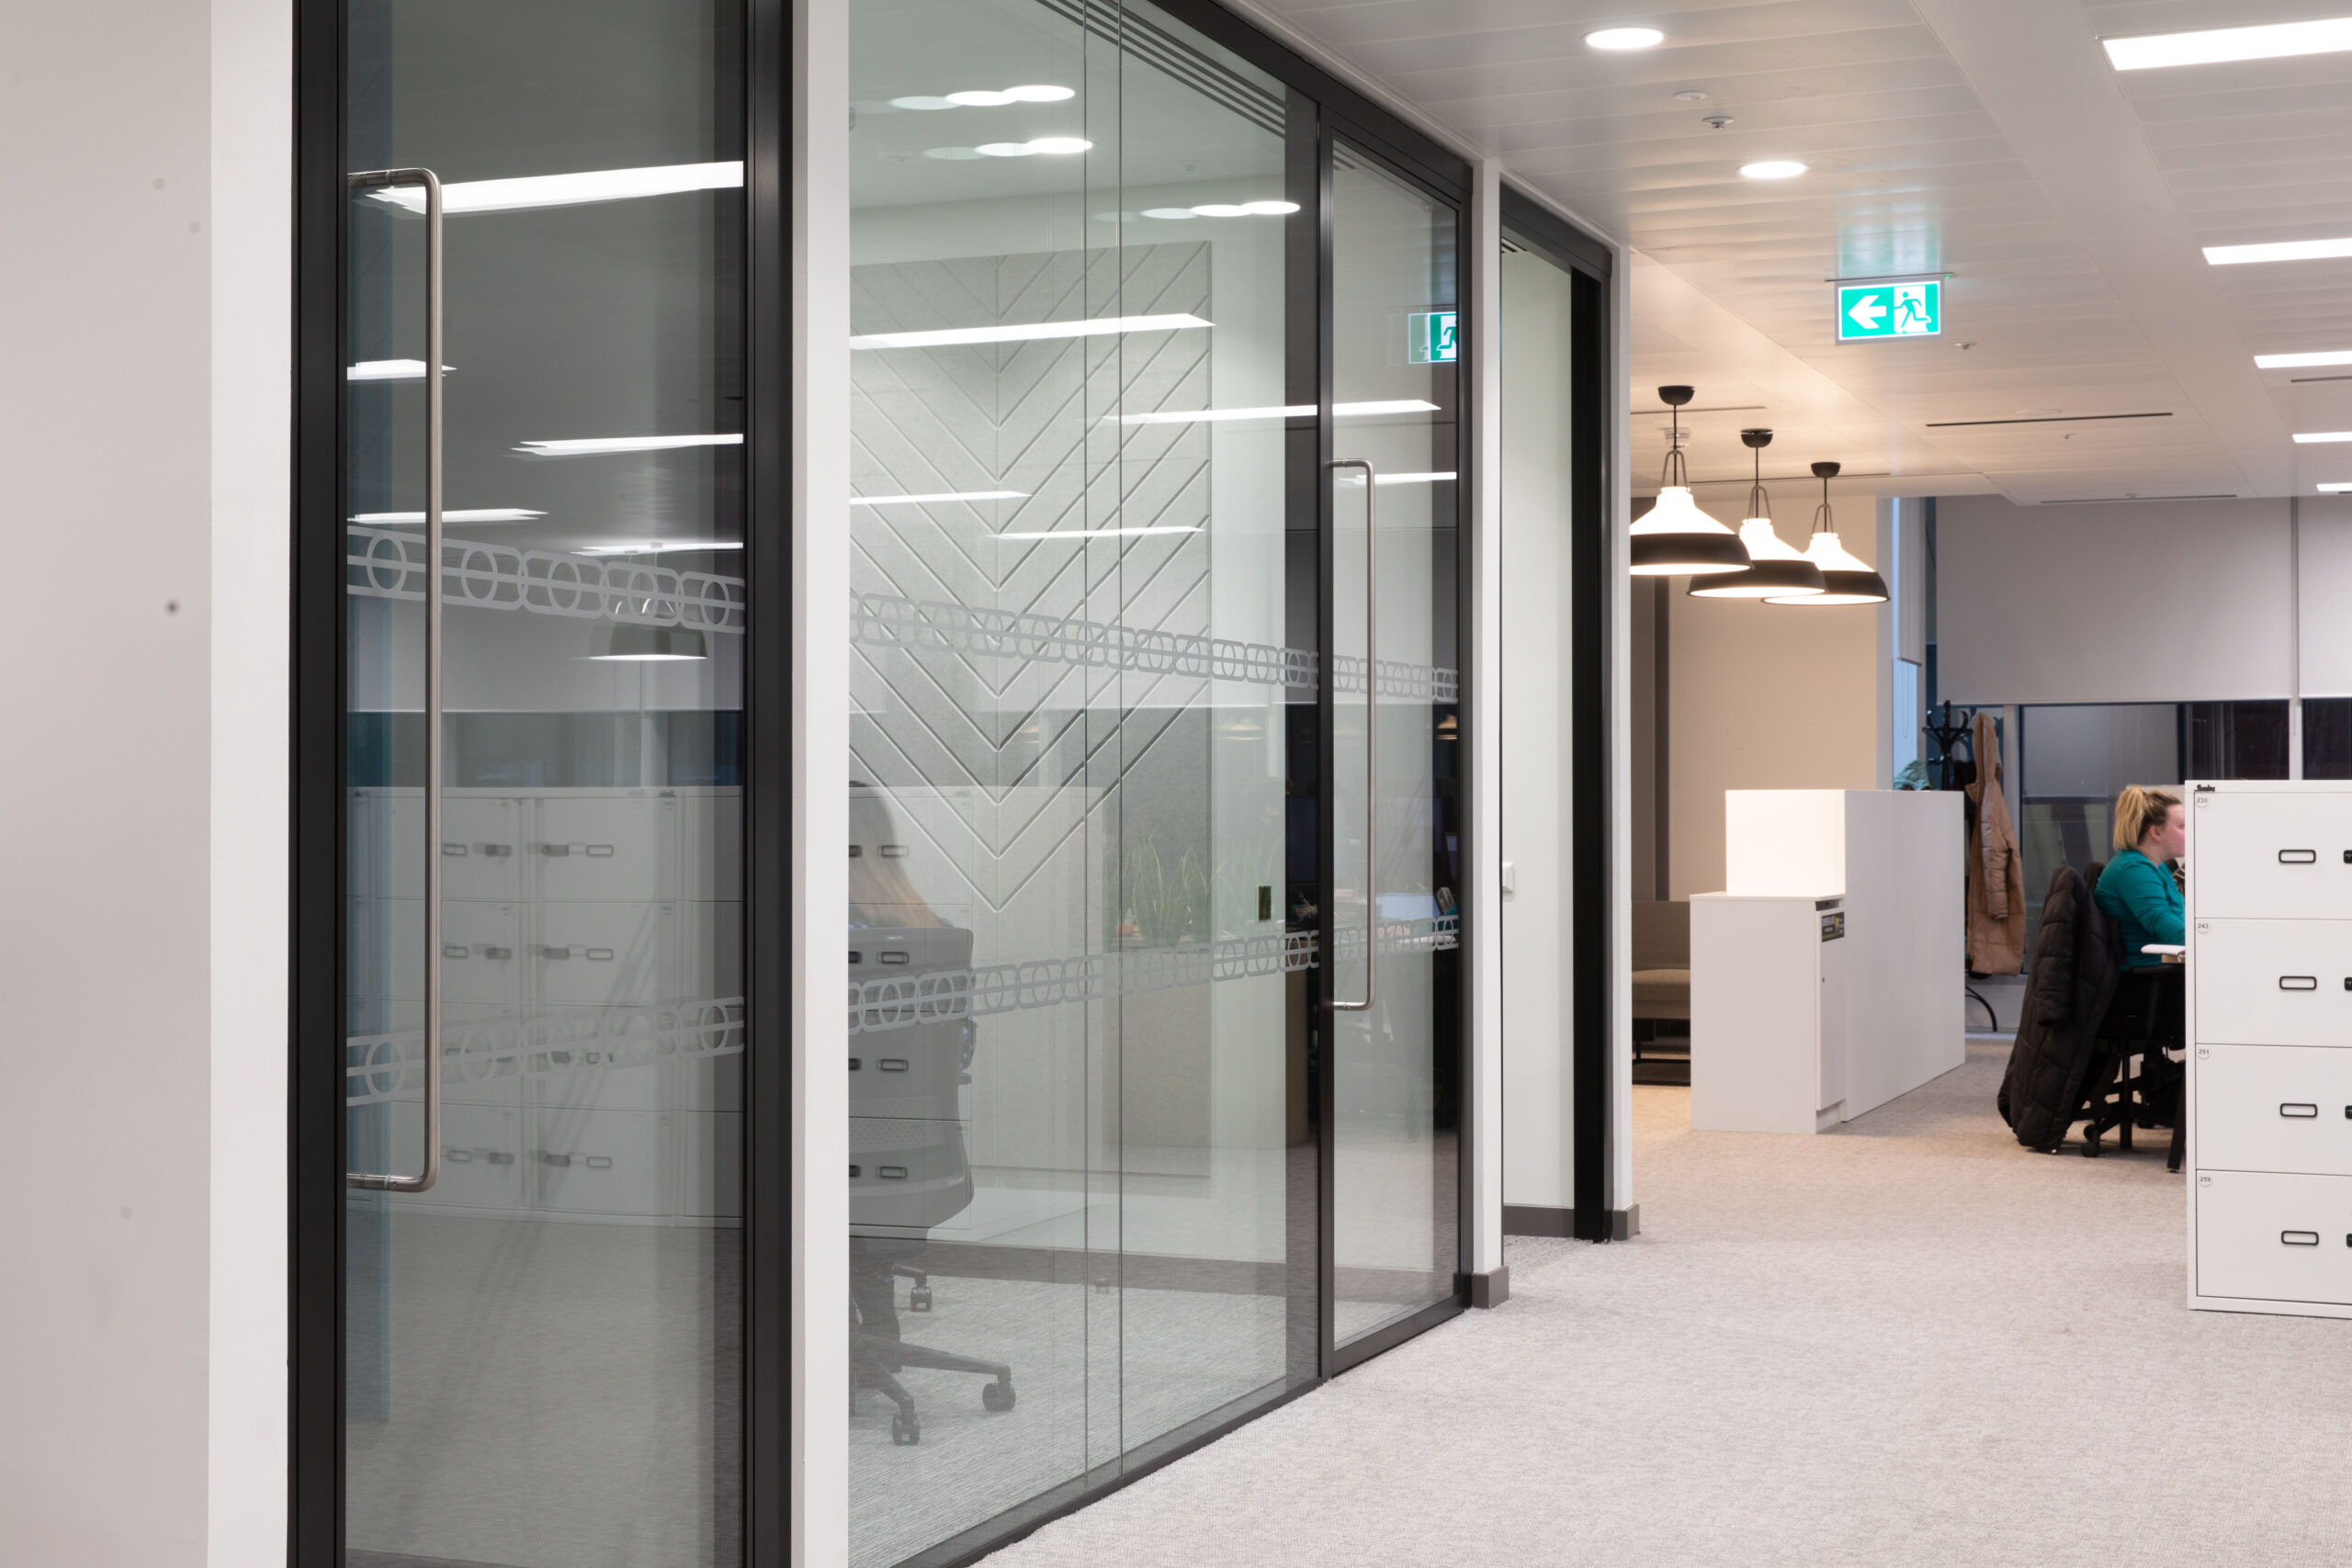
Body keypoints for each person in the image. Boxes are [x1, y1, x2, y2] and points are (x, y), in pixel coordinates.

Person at [2095, 784, 2186, 967]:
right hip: (2150, 973)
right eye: (2182, 826)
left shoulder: (2157, 865)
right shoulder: (2133, 869)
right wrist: (2212, 945)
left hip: (2166, 966)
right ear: (2156, 832)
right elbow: (2161, 921)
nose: (2190, 832)